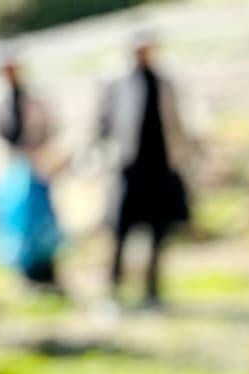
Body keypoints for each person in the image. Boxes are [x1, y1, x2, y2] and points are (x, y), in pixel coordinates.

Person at [96, 30, 193, 308]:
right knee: (120, 231)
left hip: (161, 167)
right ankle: (113, 290)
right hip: (128, 167)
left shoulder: (164, 82)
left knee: (159, 231)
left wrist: (186, 156)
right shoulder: (116, 82)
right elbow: (102, 123)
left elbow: (178, 122)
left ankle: (152, 291)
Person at [0, 56, 63, 294]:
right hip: (13, 171)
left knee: (43, 224)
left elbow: (49, 127)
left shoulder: (35, 98)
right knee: (16, 225)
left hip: (38, 166)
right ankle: (25, 275)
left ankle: (48, 273)